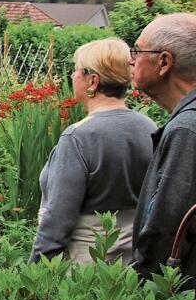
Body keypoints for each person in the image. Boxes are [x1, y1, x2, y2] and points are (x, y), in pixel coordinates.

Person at [30, 39, 157, 264]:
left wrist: (34, 275)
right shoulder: (149, 127)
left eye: (76, 70)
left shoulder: (78, 137)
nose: (72, 77)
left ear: (93, 81)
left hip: (86, 267)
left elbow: (58, 221)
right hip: (132, 264)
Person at [130, 13, 196, 288]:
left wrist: (141, 298)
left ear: (164, 62)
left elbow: (166, 230)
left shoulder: (187, 129)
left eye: (137, 50)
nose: (131, 59)